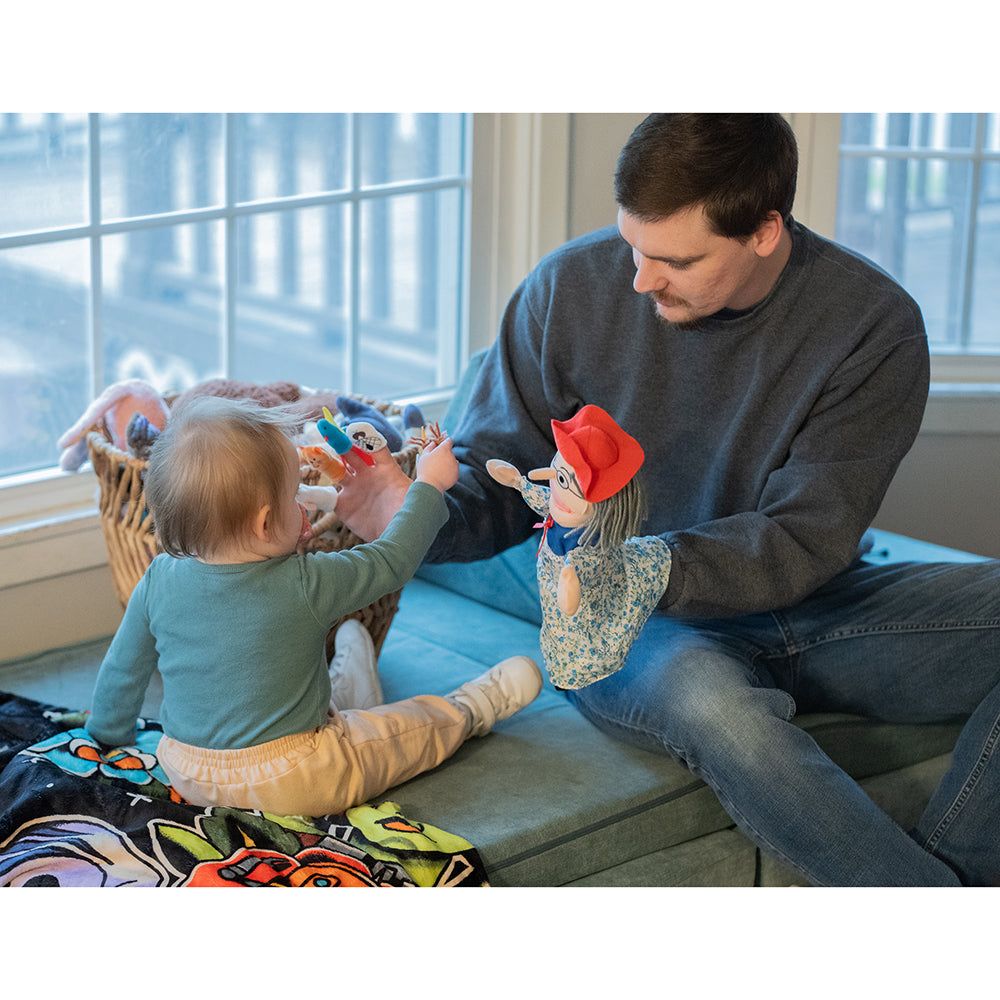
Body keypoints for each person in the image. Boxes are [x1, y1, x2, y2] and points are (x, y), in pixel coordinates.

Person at [333, 114, 1000, 887]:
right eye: (633, 246)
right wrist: (412, 516)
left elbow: (804, 537)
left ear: (764, 231)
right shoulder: (568, 291)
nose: (642, 280)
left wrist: (641, 565)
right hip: (626, 627)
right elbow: (498, 480)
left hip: (814, 605)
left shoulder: (872, 328)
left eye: (676, 259)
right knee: (722, 712)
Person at [85, 395, 542, 819]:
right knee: (407, 733)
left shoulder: (159, 578)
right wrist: (429, 486)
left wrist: (108, 734)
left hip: (185, 770)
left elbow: (123, 669)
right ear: (265, 523)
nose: (305, 506)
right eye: (294, 498)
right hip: (291, 780)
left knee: (324, 712)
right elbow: (393, 559)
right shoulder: (304, 581)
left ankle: (353, 687)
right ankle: (474, 707)